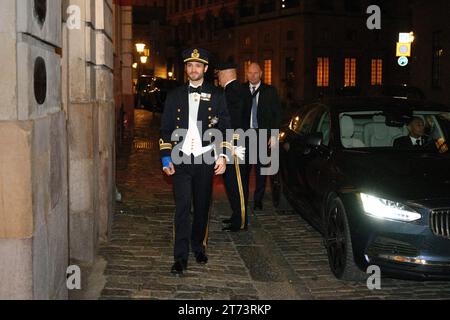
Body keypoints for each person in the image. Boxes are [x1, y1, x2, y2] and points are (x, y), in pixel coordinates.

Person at [160, 48, 231, 275]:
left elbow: (225, 128)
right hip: (180, 160)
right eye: (190, 65)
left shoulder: (218, 95)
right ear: (186, 68)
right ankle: (180, 257)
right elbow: (165, 129)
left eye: (198, 65)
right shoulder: (174, 96)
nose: (193, 69)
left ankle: (198, 246)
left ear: (206, 69)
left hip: (205, 159)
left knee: (201, 206)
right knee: (182, 208)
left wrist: (223, 155)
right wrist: (165, 157)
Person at [216, 61, 250, 232]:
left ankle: (241, 220)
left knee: (237, 183)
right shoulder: (238, 89)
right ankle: (237, 215)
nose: (218, 79)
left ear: (224, 74)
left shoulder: (232, 92)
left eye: (219, 75)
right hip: (235, 142)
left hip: (235, 144)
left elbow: (233, 121)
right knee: (232, 182)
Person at [243, 62, 281, 211]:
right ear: (246, 74)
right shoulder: (241, 90)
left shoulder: (270, 91)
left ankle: (258, 200)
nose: (252, 76)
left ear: (261, 74)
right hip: (245, 135)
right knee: (244, 170)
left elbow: (277, 114)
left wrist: (274, 135)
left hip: (262, 135)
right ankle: (243, 198)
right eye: (250, 73)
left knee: (260, 171)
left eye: (256, 73)